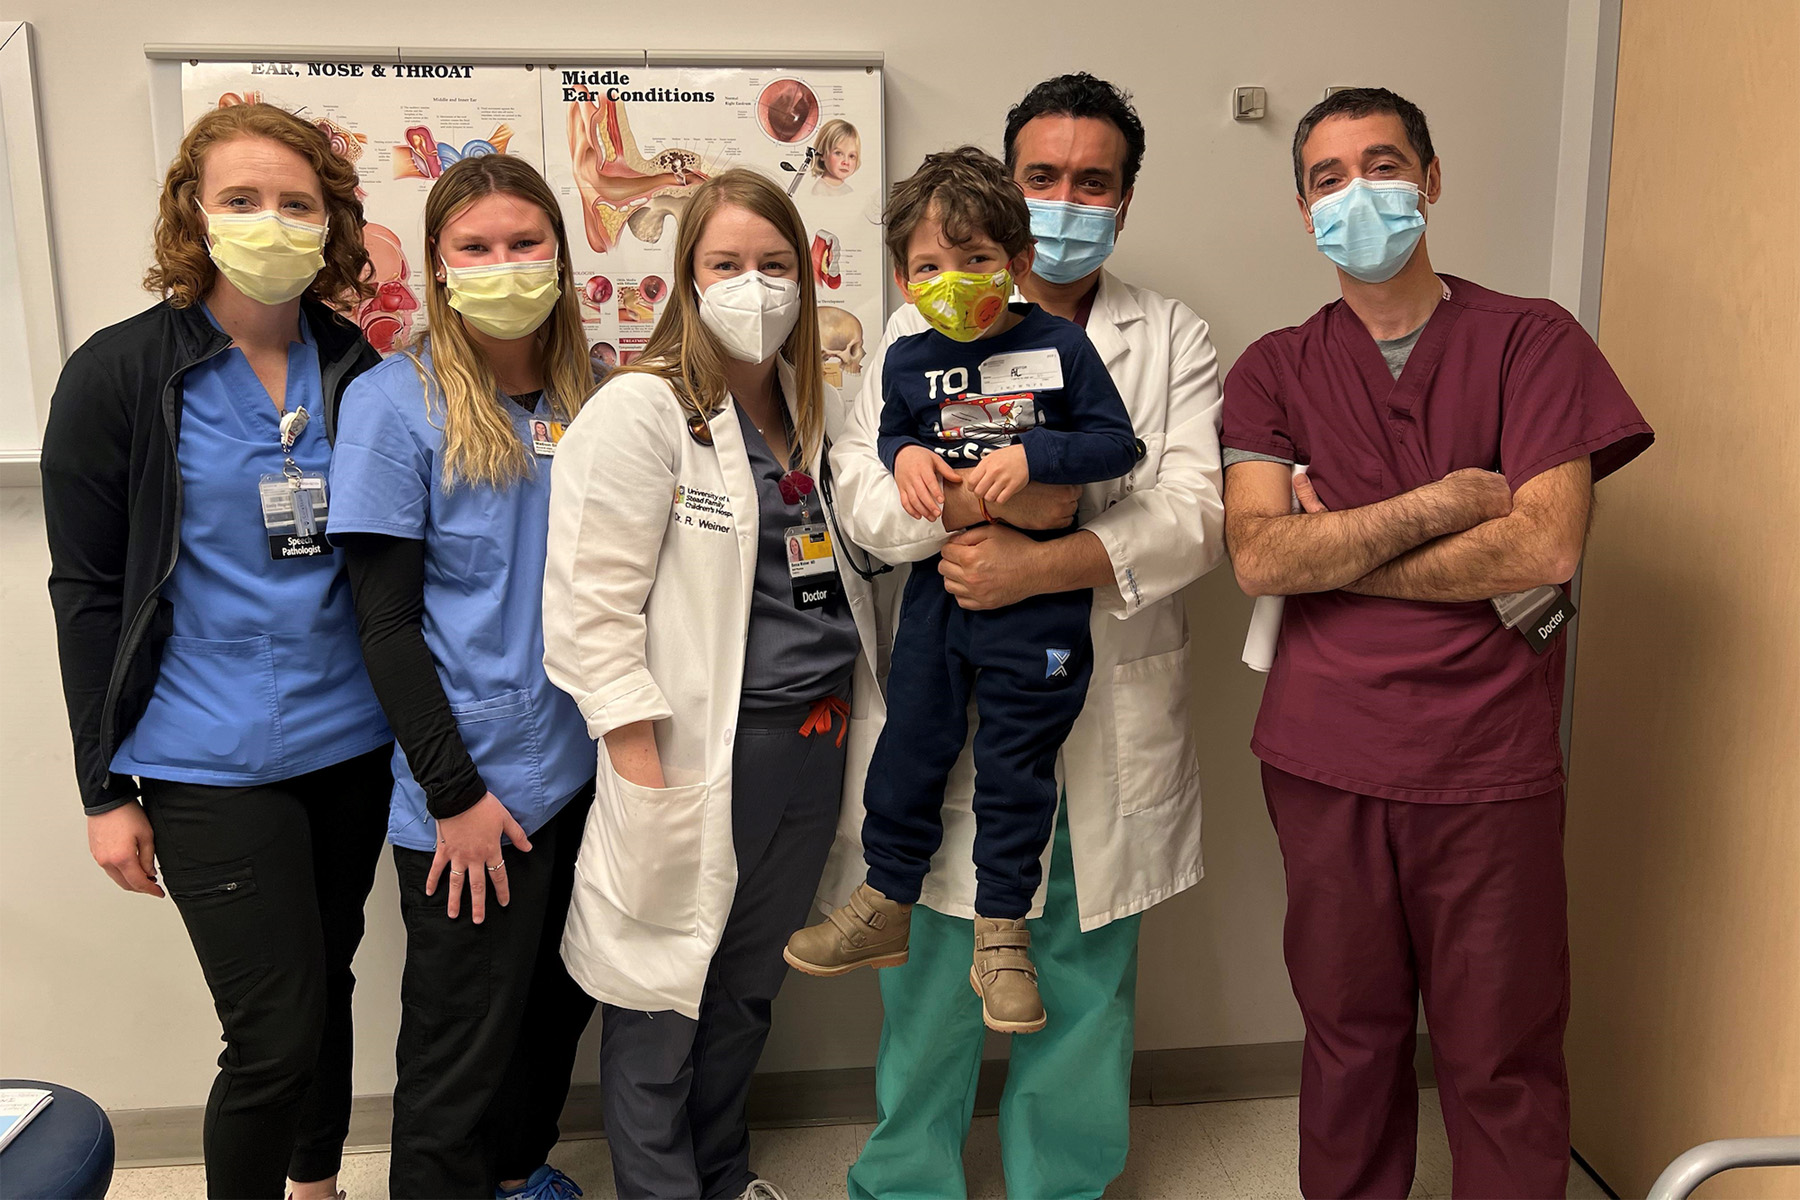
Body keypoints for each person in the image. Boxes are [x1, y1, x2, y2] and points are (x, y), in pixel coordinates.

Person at [1220, 87, 1654, 1200]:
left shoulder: (1532, 340)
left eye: (1382, 163)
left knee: (1499, 1046)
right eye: (1327, 177)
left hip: (1485, 760)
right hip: (1326, 756)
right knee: (1350, 1033)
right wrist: (1450, 501)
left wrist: (1348, 550)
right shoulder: (1274, 367)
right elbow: (1262, 559)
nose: (1356, 192)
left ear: (1433, 177)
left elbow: (1547, 547)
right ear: (1302, 204)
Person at [829, 74, 1226, 1199]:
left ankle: (1063, 1184)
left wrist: (1044, 558)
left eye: (1091, 182)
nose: (1065, 200)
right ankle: (908, 1182)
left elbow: (1194, 510)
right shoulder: (914, 329)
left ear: (1125, 199)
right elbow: (856, 487)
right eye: (1041, 178)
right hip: (954, 673)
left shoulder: (1169, 335)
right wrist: (966, 509)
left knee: (1084, 978)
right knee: (935, 966)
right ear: (1006, 190)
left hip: (1100, 706)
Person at [40, 102, 392, 1200]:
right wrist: (105, 788)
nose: (271, 222)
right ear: (194, 215)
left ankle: (318, 1184)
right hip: (203, 758)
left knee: (327, 987)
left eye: (298, 201)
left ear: (332, 218)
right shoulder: (120, 376)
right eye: (241, 199)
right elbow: (88, 592)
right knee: (275, 1035)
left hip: (351, 741)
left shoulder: (358, 368)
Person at [543, 168, 888, 1200]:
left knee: (744, 985)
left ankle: (724, 1170)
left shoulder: (805, 414)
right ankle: (661, 1188)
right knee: (663, 989)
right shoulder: (641, 413)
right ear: (685, 280)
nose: (755, 286)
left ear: (807, 280)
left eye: (776, 265)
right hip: (700, 751)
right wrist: (641, 768)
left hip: (813, 748)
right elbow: (588, 611)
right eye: (727, 264)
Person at [784, 146, 1139, 1037]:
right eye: (930, 267)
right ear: (903, 277)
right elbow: (884, 442)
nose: (953, 282)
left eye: (976, 261)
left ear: (1017, 265)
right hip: (944, 594)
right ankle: (884, 900)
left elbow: (1116, 446)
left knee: (1019, 767)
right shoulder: (907, 359)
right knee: (912, 742)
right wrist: (905, 456)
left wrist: (1037, 457)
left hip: (1043, 607)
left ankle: (1003, 934)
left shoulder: (1059, 345)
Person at [327, 155, 596, 1200]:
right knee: (458, 1048)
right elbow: (384, 626)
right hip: (470, 789)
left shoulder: (596, 396)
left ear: (562, 259)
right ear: (437, 268)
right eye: (474, 248)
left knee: (552, 1013)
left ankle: (518, 1178)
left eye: (525, 243)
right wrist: (457, 796)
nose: (503, 265)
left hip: (584, 770)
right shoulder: (396, 404)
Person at [808, 119, 860, 196]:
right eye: (838, 153)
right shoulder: (820, 191)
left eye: (851, 156)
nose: (846, 162)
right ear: (822, 154)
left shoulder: (848, 190)